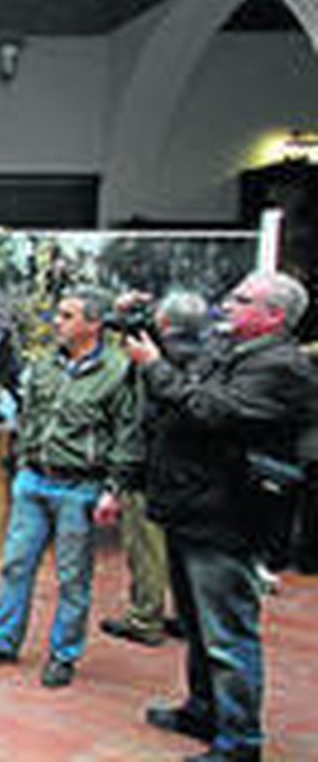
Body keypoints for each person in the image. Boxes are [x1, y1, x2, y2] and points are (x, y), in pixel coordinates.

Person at [126, 272, 318, 762]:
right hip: (194, 510)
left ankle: (239, 742)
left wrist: (153, 369)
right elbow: (185, 362)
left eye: (241, 299)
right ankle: (203, 710)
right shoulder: (232, 351)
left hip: (228, 519)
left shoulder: (282, 367)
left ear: (274, 315)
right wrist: (146, 322)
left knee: (228, 635)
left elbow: (214, 411)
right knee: (197, 625)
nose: (227, 305)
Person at [0, 287, 143, 689]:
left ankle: (64, 655)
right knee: (15, 565)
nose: (57, 322)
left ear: (93, 324)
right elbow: (29, 416)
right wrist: (23, 461)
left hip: (80, 486)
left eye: (67, 316)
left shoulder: (118, 370)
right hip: (33, 480)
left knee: (73, 577)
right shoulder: (45, 365)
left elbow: (128, 434)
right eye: (58, 314)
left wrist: (114, 488)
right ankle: (1, 641)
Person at [100, 292, 204, 648]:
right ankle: (190, 618)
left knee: (145, 547)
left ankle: (145, 617)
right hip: (189, 471)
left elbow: (138, 417)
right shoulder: (206, 352)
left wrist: (123, 472)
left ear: (163, 324)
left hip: (149, 466)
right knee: (180, 551)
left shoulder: (155, 358)